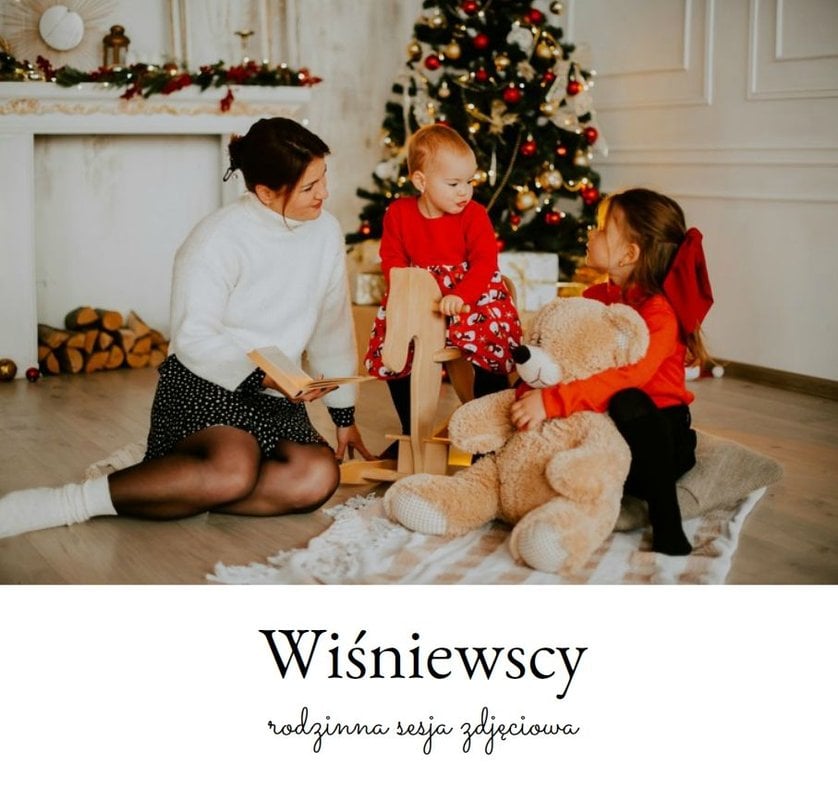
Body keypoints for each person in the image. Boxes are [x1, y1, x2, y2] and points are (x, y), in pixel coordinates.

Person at [0, 117, 374, 540]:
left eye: (323, 178)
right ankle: (71, 502)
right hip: (206, 382)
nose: (324, 193)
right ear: (265, 192)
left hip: (276, 393)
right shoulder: (217, 238)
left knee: (318, 478)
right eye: (309, 187)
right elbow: (194, 338)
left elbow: (332, 326)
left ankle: (179, 488)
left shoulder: (325, 232)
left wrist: (344, 415)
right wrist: (260, 375)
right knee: (232, 470)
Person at [510, 188, 714, 556]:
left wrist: (553, 401)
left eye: (603, 229)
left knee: (628, 399)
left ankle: (666, 518)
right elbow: (565, 351)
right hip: (609, 430)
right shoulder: (596, 299)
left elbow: (629, 377)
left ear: (629, 254)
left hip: (661, 432)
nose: (592, 233)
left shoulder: (659, 313)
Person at [363, 124, 522, 456]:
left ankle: (489, 434)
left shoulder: (474, 215)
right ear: (421, 181)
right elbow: (392, 259)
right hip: (421, 299)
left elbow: (485, 264)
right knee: (391, 347)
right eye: (453, 184)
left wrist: (460, 296)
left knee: (489, 347)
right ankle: (411, 431)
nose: (464, 191)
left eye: (469, 182)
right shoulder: (399, 213)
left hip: (471, 298)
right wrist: (405, 290)